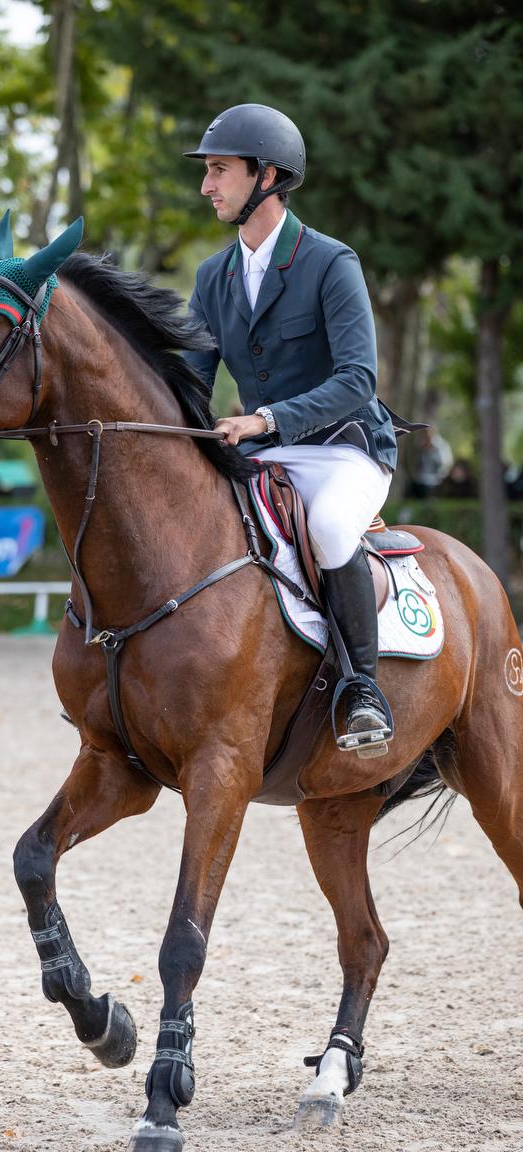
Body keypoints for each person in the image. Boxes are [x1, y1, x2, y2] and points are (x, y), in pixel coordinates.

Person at [183, 103, 400, 754]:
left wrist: (266, 419)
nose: (206, 186)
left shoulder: (330, 263)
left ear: (267, 175)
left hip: (345, 450)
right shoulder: (212, 278)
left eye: (219, 170)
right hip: (266, 459)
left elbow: (359, 378)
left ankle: (364, 689)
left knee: (332, 526)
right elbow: (193, 381)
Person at [408, 426, 453, 499]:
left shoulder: (441, 446)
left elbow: (445, 464)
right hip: (421, 480)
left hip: (437, 480)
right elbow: (414, 464)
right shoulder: (419, 447)